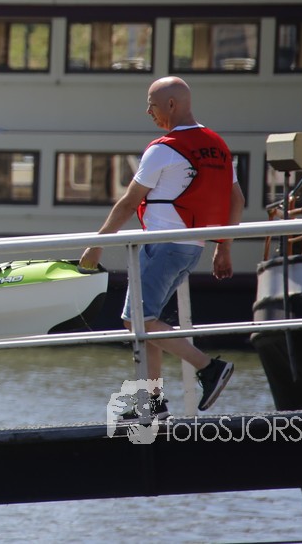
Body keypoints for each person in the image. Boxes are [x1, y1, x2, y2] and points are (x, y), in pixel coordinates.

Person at [80, 76, 243, 418]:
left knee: (136, 320)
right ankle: (152, 403)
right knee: (148, 320)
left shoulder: (164, 148)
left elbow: (129, 202)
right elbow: (237, 199)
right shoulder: (217, 146)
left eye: (152, 105)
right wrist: (223, 247)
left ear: (171, 104)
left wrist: (97, 245)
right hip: (191, 248)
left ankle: (208, 367)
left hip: (163, 245)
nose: (148, 112)